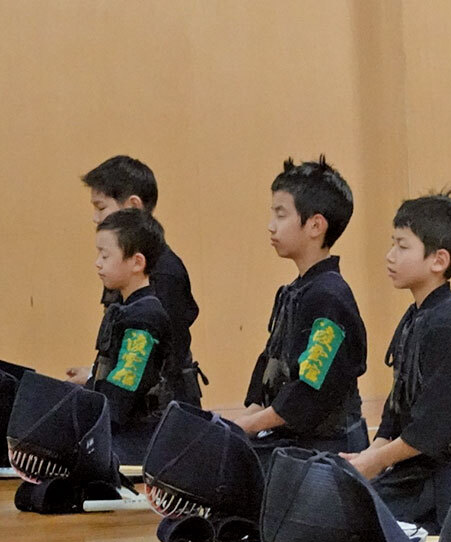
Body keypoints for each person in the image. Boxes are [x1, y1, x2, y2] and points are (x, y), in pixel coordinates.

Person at [341, 192, 451, 531]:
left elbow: (433, 429)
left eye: (402, 246)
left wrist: (374, 462)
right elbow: (396, 413)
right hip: (419, 473)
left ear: (438, 260)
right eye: (392, 244)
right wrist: (369, 458)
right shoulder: (419, 317)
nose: (390, 256)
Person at [230, 157, 369, 458]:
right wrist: (238, 425)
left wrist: (249, 426)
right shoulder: (296, 291)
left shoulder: (330, 297)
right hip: (296, 444)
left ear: (315, 225)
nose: (271, 226)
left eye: (281, 215)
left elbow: (310, 390)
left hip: (328, 451)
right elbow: (270, 368)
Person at [72, 155, 203, 403]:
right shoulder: (122, 272)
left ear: (133, 206)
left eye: (101, 207)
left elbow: (158, 361)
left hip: (162, 414)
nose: (95, 218)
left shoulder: (163, 274)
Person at [89, 208, 172, 462]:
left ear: (137, 262)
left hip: (137, 438)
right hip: (120, 430)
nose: (98, 263)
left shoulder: (145, 317)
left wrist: (88, 428)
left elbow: (124, 390)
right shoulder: (128, 308)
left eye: (105, 255)